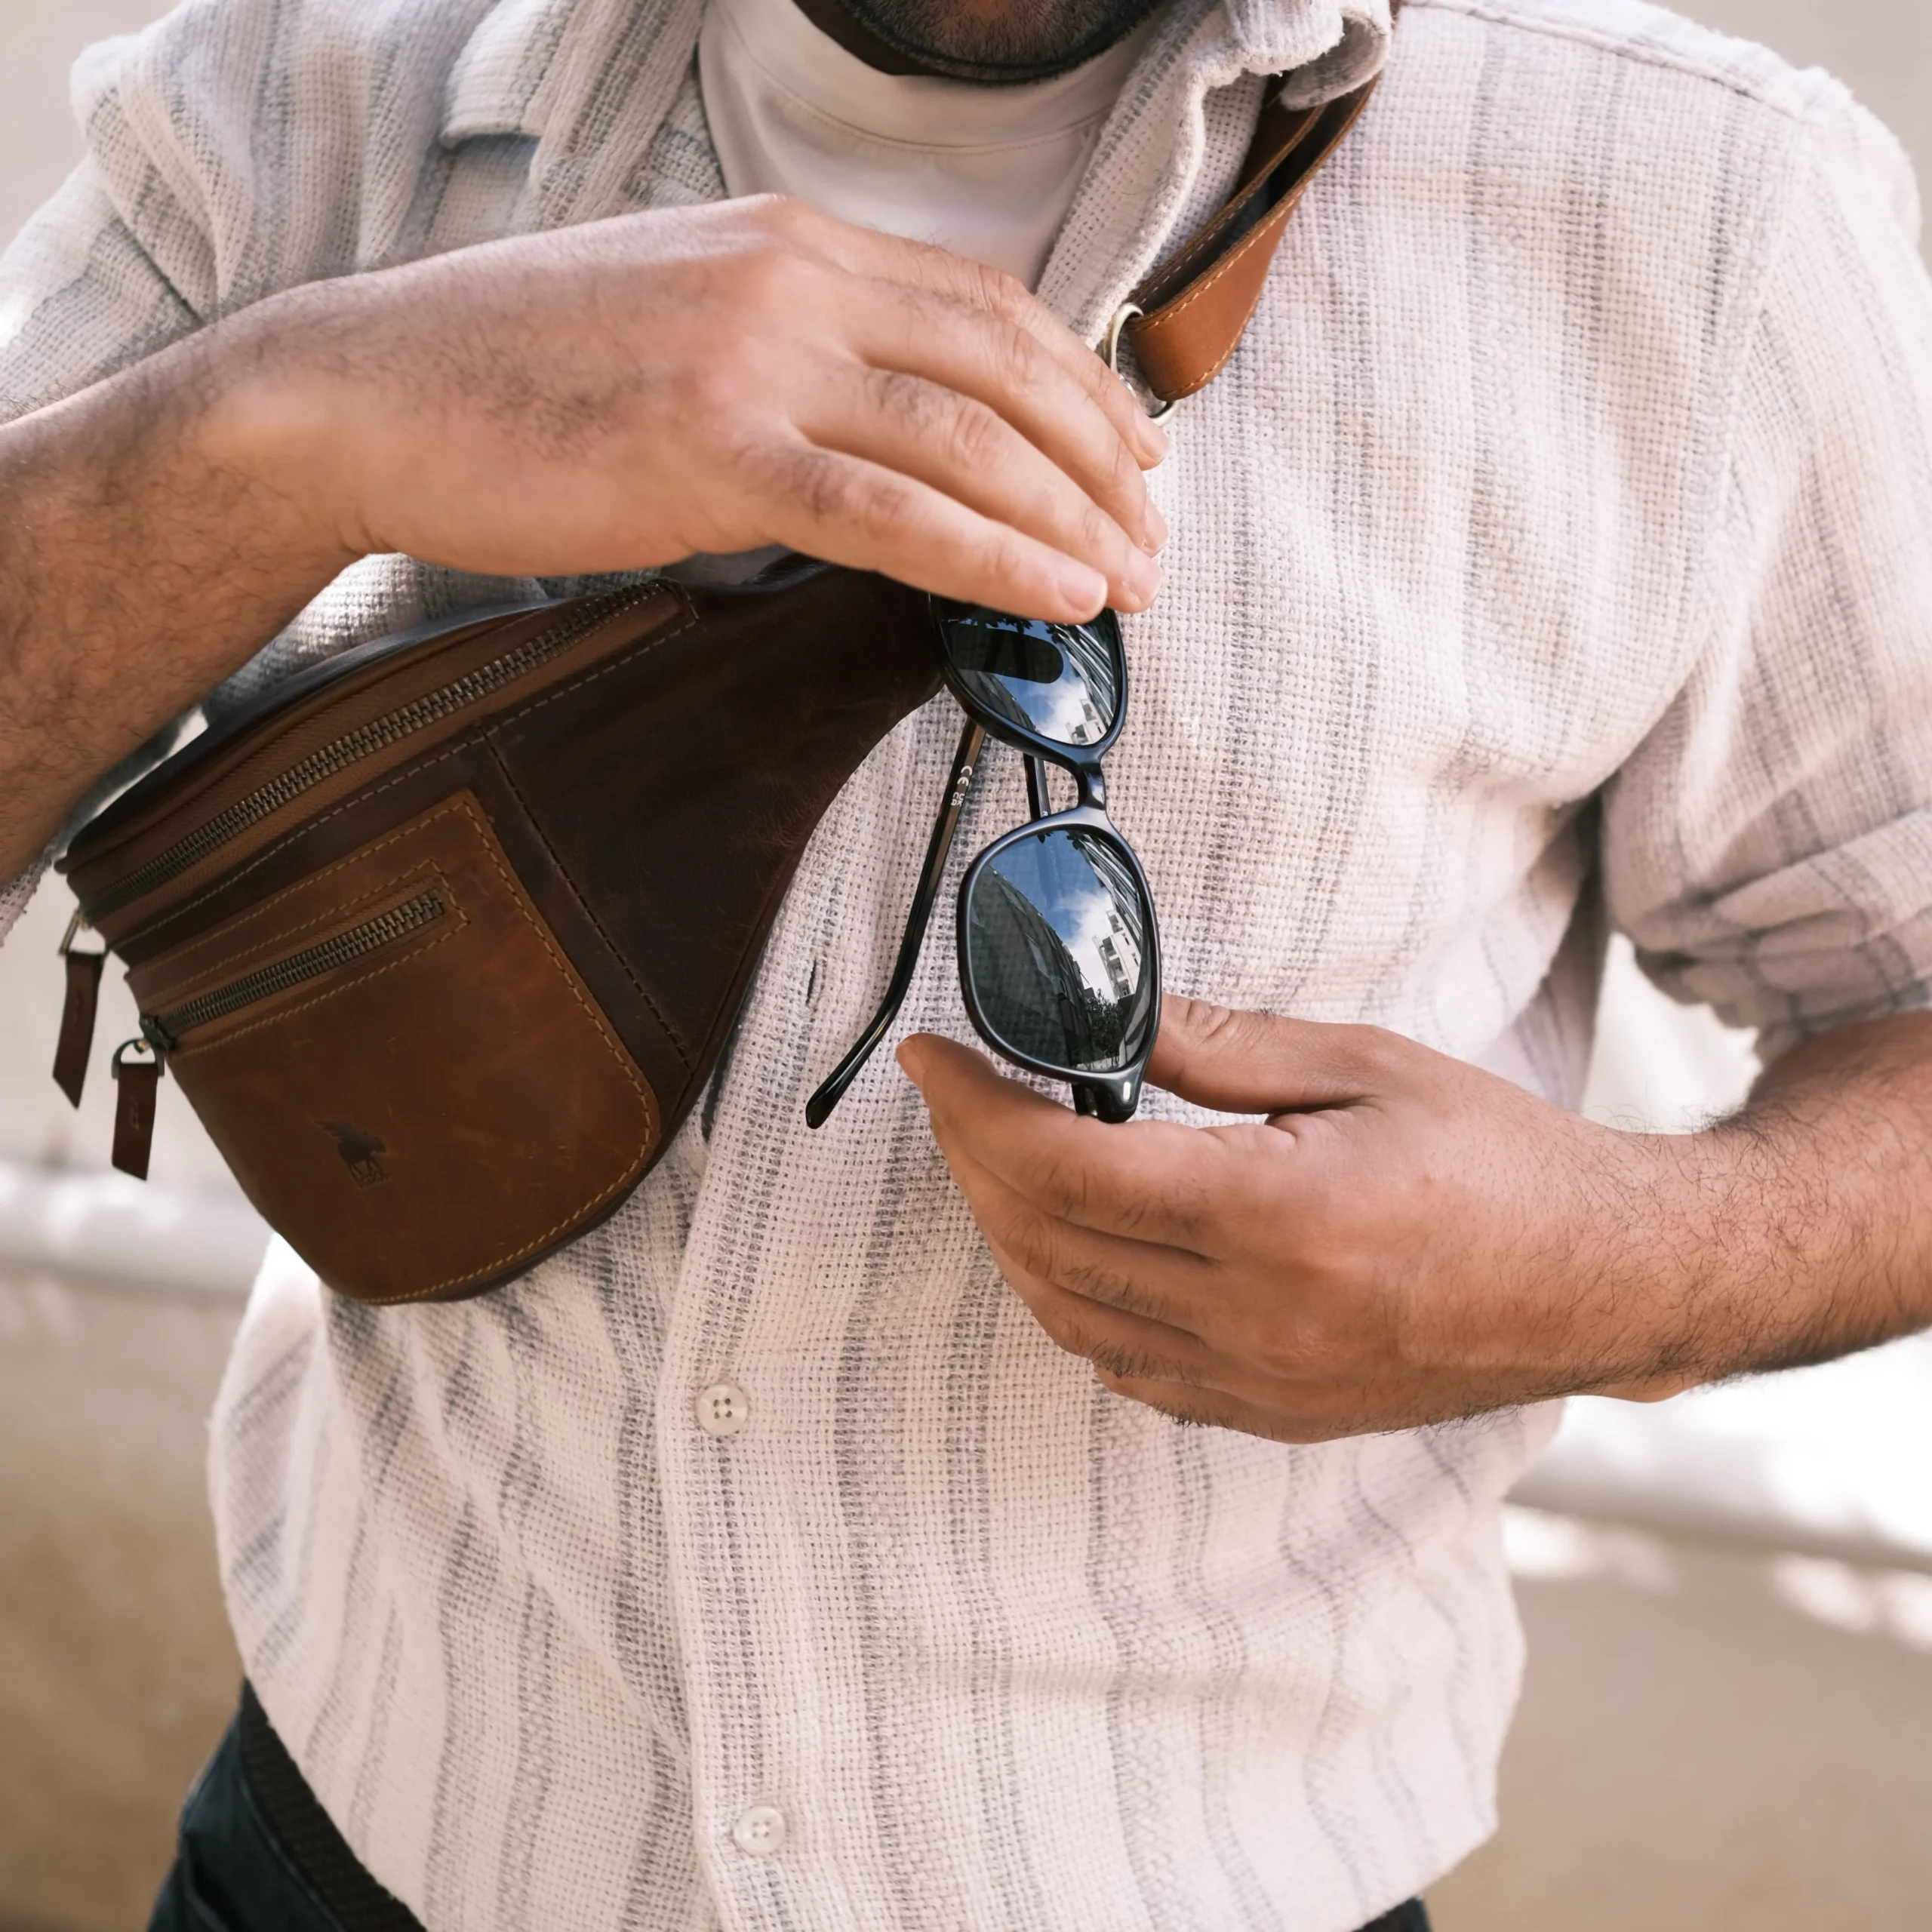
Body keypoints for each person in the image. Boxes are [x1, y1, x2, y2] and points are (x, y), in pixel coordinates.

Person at [3, 0, 1931, 1922]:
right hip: (351, 1845)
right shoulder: (286, 88)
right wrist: (292, 431)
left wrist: (1605, 1271)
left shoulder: (1710, 217)